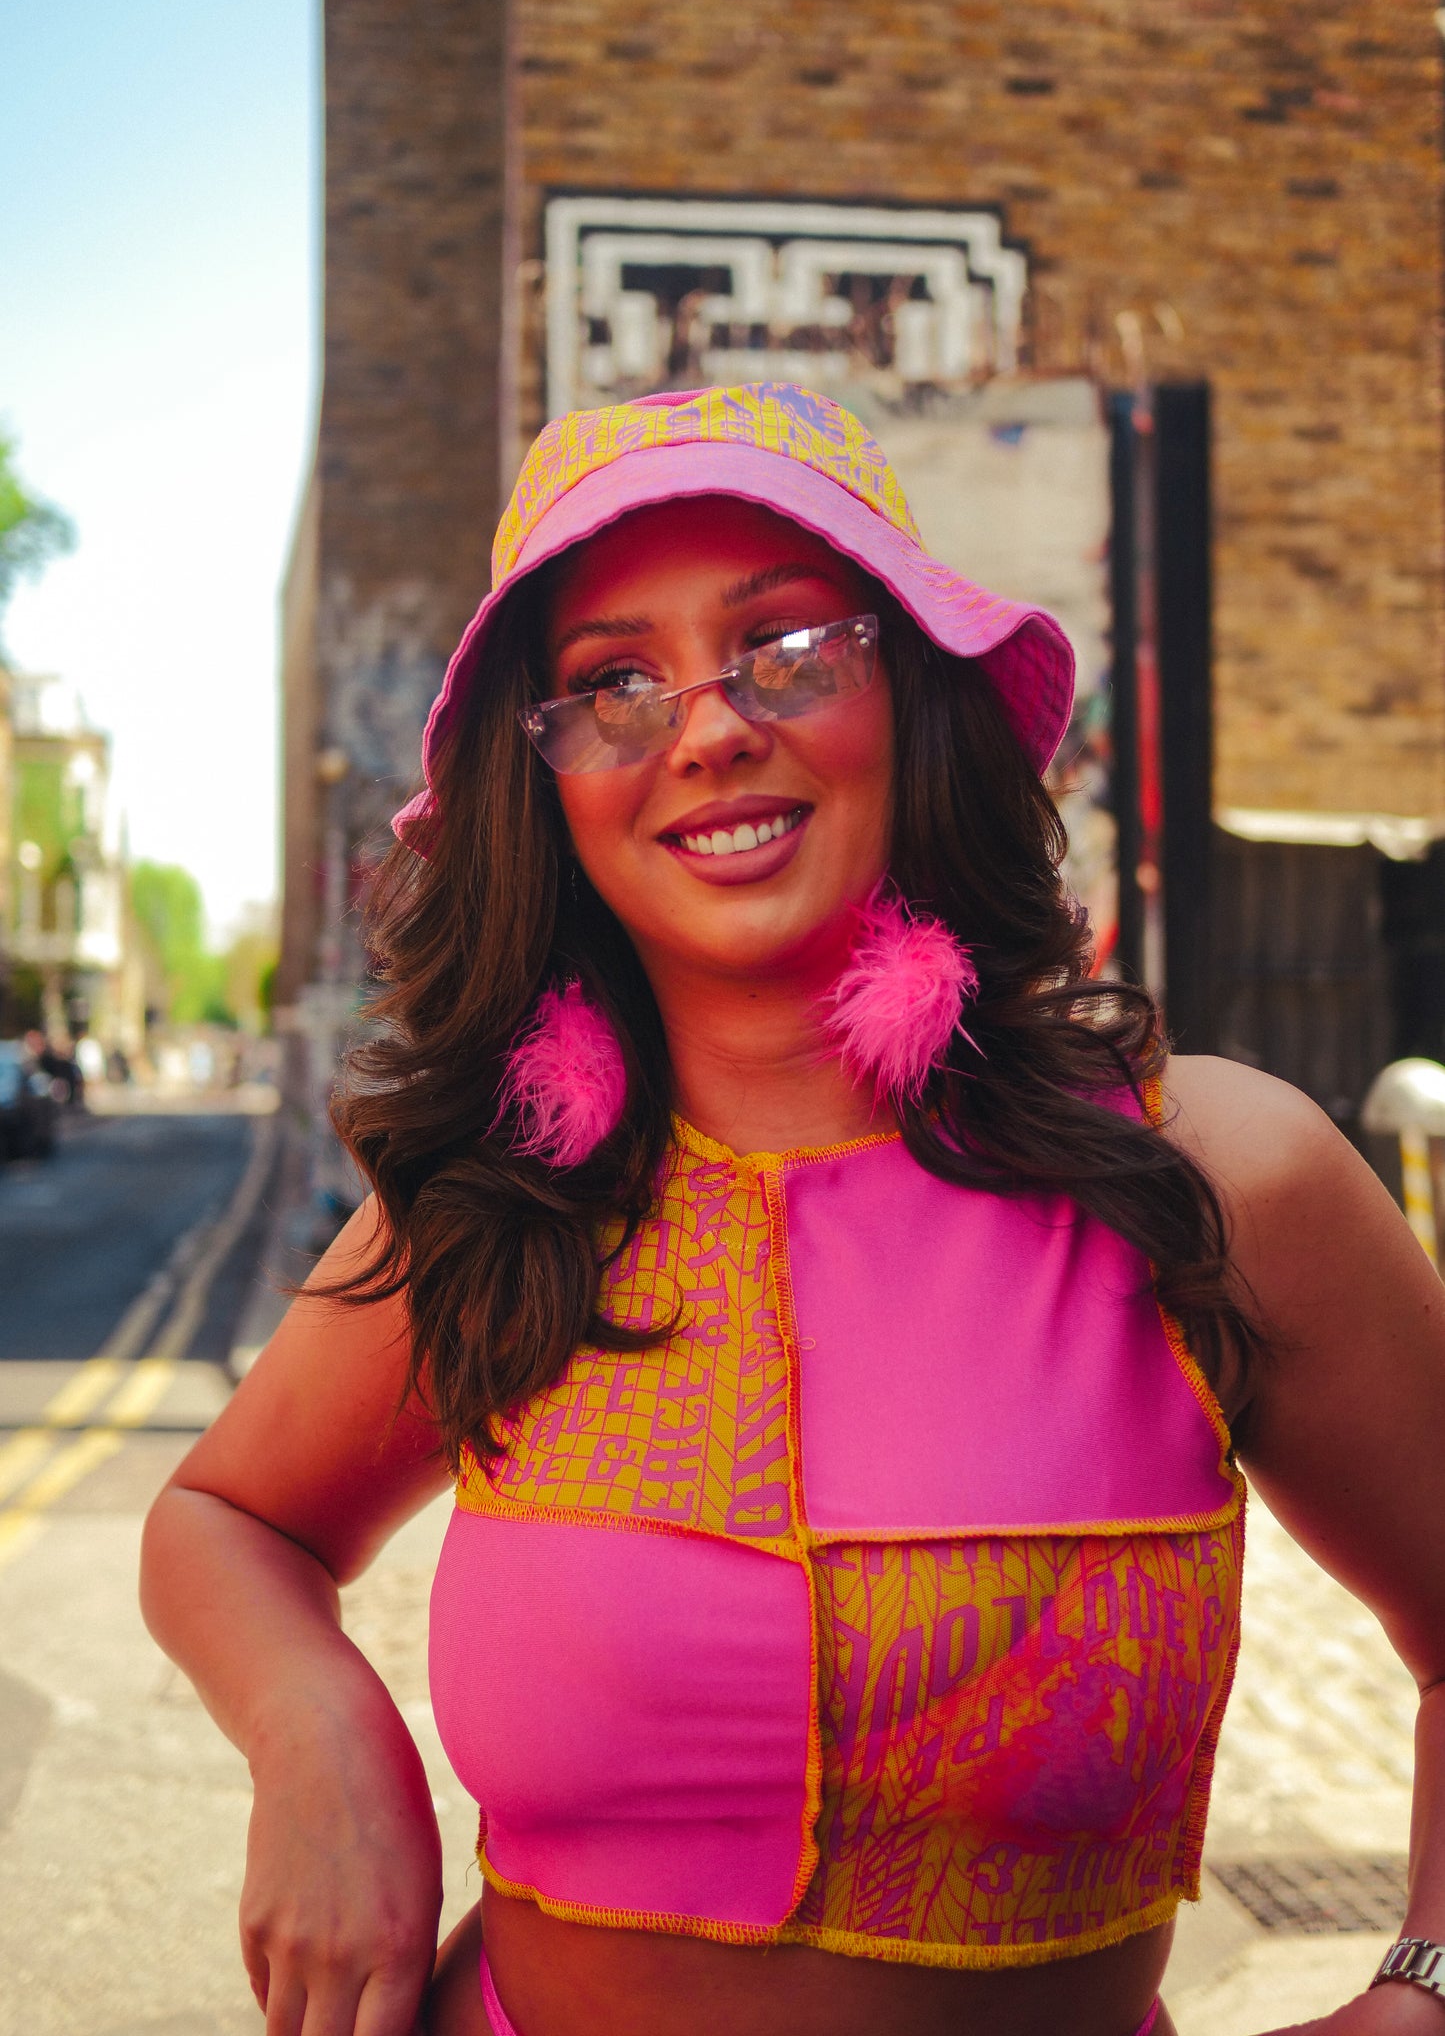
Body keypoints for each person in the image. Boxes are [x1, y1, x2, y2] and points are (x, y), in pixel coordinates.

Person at [142, 384, 1445, 2036]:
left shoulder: (1213, 1181)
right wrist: (317, 1732)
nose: (702, 730)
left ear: (909, 694)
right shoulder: (501, 1202)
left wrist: (1426, 1985)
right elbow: (225, 1523)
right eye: (610, 683)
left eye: (785, 646)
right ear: (539, 785)